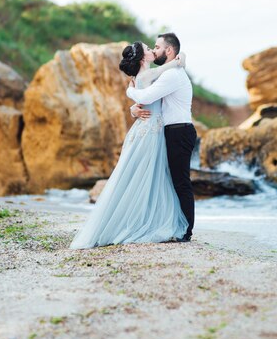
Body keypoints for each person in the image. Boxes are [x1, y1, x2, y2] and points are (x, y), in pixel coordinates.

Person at [69, 41, 189, 249]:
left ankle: (142, 218)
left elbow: (163, 74)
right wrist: (179, 61)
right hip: (150, 132)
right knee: (146, 177)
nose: (152, 50)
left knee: (145, 177)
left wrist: (131, 99)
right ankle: (144, 221)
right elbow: (165, 70)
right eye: (149, 49)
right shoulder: (145, 76)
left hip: (148, 129)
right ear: (143, 58)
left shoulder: (143, 77)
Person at [127, 33, 197, 242]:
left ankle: (186, 231)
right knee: (172, 180)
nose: (154, 50)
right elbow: (150, 97)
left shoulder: (172, 75)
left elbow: (147, 96)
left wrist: (129, 92)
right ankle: (174, 224)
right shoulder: (167, 72)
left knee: (180, 182)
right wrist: (133, 109)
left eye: (157, 47)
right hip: (173, 131)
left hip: (179, 131)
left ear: (168, 51)